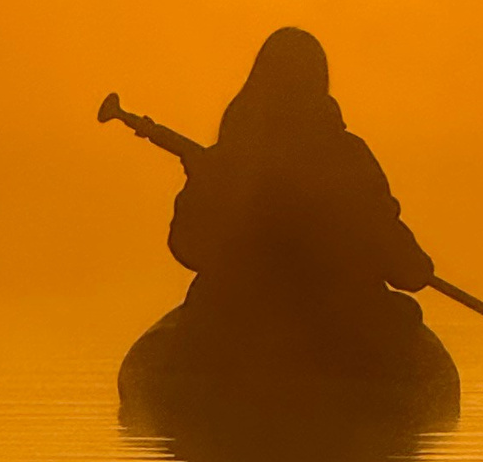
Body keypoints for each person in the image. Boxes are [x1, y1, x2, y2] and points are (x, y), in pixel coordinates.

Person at [163, 28, 437, 376]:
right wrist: (417, 266)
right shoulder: (348, 157)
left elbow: (188, 247)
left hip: (233, 328)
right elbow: (402, 264)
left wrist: (203, 183)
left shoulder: (229, 160)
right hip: (342, 335)